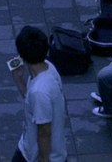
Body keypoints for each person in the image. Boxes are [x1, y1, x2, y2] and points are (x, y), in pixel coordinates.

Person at [10, 26, 68, 162]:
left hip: (38, 157)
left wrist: (43, 159)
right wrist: (19, 80)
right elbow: (32, 102)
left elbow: (44, 132)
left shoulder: (39, 91)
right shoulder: (48, 68)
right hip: (28, 148)